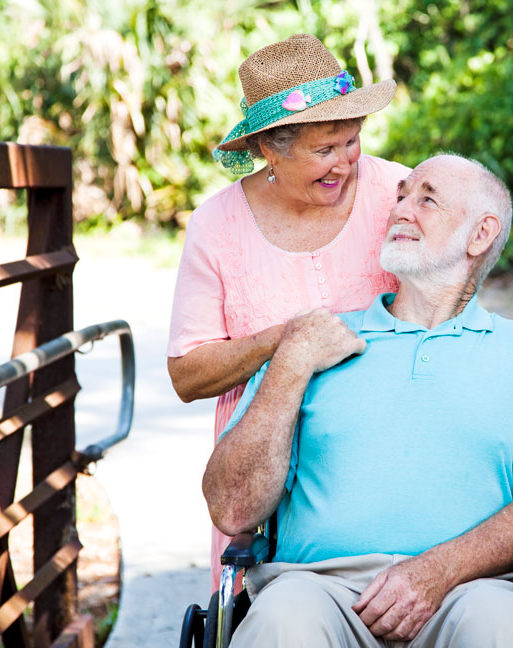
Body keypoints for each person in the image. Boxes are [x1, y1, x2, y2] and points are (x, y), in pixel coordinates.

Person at [204, 155, 513, 648]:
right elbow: (232, 509)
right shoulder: (318, 338)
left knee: (503, 632)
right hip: (320, 592)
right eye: (401, 196)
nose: (401, 209)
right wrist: (291, 363)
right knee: (281, 618)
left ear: (480, 235)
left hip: (474, 591)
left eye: (426, 198)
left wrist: (437, 572)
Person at [166, 33, 410, 589]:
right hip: (261, 480)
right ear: (270, 148)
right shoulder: (217, 225)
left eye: (351, 142)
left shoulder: (399, 190)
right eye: (324, 150)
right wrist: (287, 340)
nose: (344, 164)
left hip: (389, 458)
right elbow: (187, 374)